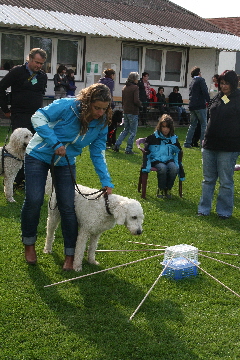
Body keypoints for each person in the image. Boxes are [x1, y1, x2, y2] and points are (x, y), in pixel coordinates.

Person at [21, 83, 114, 270]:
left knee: (67, 205)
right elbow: (37, 117)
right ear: (87, 103)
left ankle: (70, 255)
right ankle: (29, 244)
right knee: (34, 199)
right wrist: (55, 142)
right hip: (38, 155)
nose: (99, 113)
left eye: (104, 109)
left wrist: (106, 181)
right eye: (97, 108)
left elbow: (98, 152)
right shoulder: (67, 105)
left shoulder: (102, 123)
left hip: (66, 161)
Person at [0, 48, 48, 187]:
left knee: (35, 148)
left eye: (41, 63)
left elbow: (40, 93)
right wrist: (5, 109)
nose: (39, 66)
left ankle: (29, 177)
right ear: (29, 59)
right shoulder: (17, 72)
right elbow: (1, 88)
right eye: (36, 62)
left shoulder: (42, 76)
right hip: (20, 115)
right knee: (19, 148)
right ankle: (16, 179)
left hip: (36, 117)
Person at [198, 70, 240, 219]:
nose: (224, 86)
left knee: (225, 181)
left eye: (227, 83)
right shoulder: (218, 96)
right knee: (208, 180)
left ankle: (224, 211)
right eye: (222, 83)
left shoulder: (238, 98)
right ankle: (204, 209)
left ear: (233, 84)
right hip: (210, 144)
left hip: (228, 147)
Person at [141, 114, 183, 199]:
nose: (165, 129)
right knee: (162, 168)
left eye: (168, 127)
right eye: (163, 127)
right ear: (160, 127)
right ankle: (161, 189)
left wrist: (177, 163)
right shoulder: (153, 137)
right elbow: (147, 152)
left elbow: (178, 151)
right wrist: (147, 165)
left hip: (169, 159)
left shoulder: (173, 139)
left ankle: (168, 189)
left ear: (171, 128)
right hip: (156, 160)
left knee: (174, 168)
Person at [113, 72, 142, 154]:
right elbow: (136, 100)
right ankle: (128, 149)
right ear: (134, 79)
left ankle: (117, 145)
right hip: (133, 111)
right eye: (137, 78)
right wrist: (140, 105)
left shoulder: (125, 87)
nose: (138, 80)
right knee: (133, 132)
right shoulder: (135, 88)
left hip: (126, 111)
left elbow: (123, 101)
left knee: (125, 130)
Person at [184, 66, 210, 148]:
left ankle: (187, 143)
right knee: (203, 125)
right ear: (199, 73)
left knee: (192, 125)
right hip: (200, 105)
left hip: (192, 105)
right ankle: (203, 143)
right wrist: (209, 101)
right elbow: (205, 91)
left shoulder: (192, 81)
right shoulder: (201, 80)